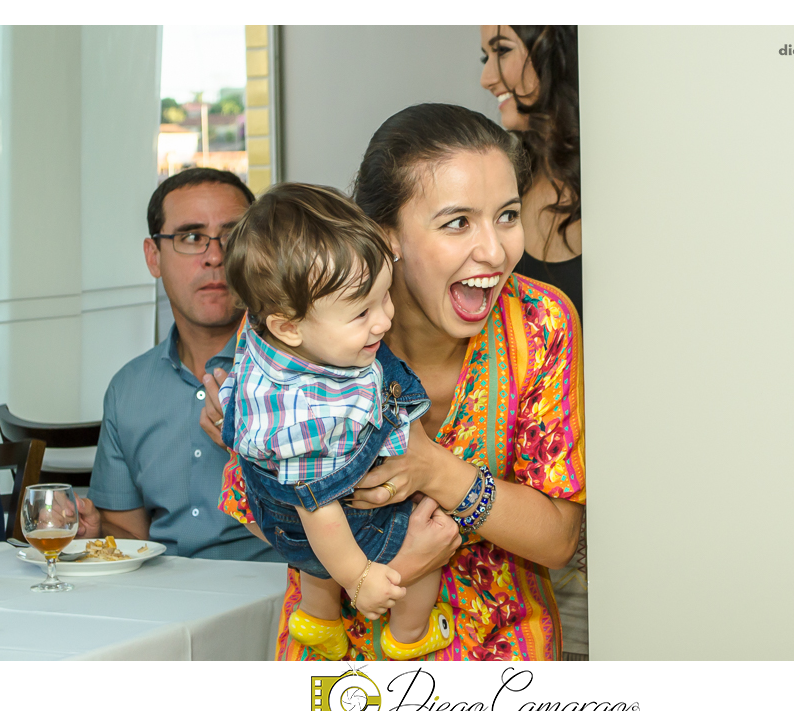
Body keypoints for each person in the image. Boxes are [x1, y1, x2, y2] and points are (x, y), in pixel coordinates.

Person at [203, 103, 587, 660]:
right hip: (337, 666)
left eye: (507, 215)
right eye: (458, 222)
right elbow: (255, 506)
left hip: (501, 670)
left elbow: (558, 541)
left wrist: (437, 471)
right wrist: (399, 558)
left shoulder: (540, 322)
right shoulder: (292, 325)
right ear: (388, 237)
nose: (496, 250)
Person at [219, 182, 455, 660]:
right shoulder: (313, 413)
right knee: (425, 526)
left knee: (309, 551)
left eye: (385, 297)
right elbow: (318, 509)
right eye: (362, 312)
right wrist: (360, 577)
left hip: (280, 511)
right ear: (288, 325)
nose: (384, 320)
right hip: (324, 521)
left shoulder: (273, 337)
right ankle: (407, 637)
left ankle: (318, 617)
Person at [76, 168, 280, 562]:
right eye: (191, 237)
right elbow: (127, 533)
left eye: (233, 235)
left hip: (283, 602)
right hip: (165, 605)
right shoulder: (129, 388)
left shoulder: (308, 372)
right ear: (153, 257)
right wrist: (98, 532)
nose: (216, 256)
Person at [481, 25, 589, 657]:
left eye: (501, 52)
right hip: (518, 498)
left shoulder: (637, 182)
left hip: (628, 488)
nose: (487, 77)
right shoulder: (499, 191)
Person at [479, 25, 582, 321]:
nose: (486, 79)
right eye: (485, 57)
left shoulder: (624, 177)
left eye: (502, 50)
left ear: (557, 49)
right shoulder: (508, 178)